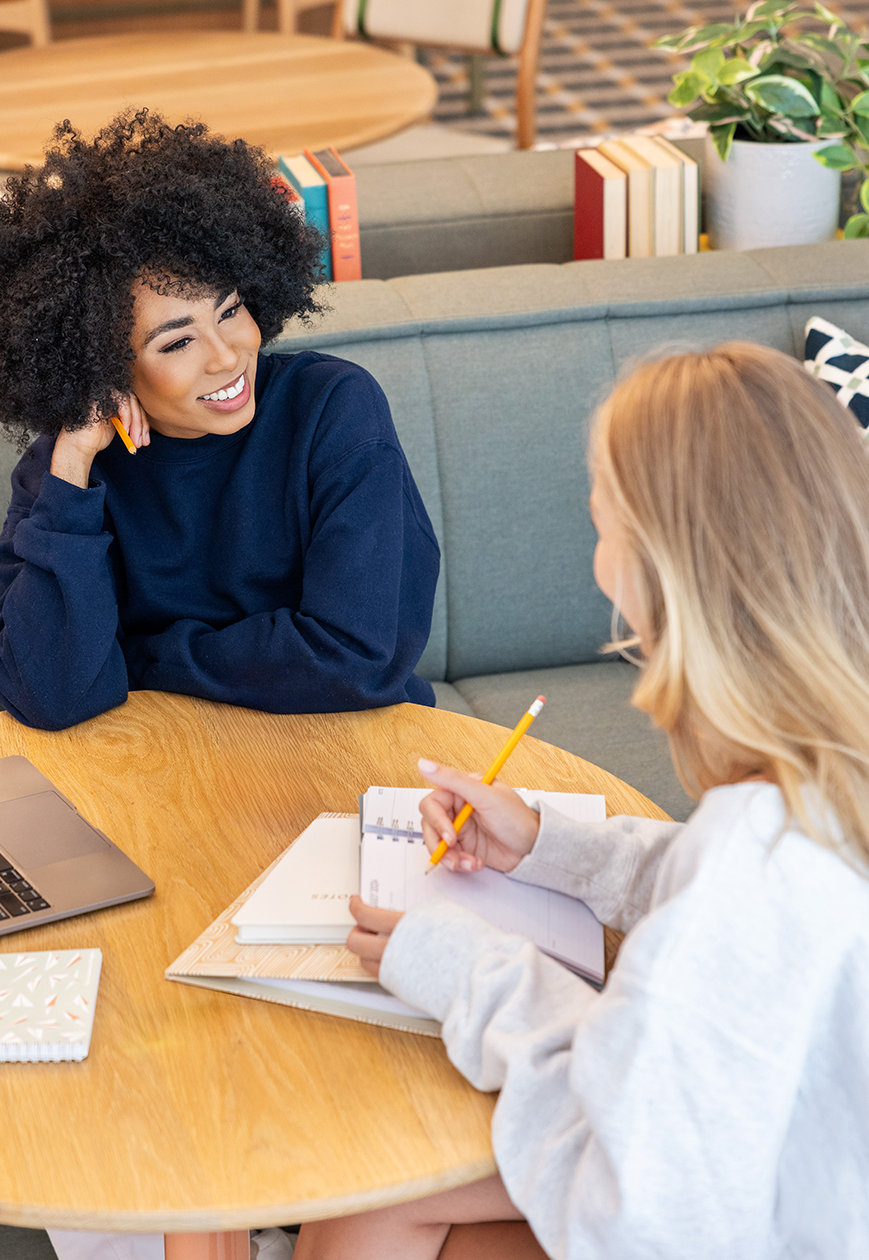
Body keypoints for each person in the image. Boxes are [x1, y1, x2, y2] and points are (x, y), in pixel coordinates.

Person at [295, 342, 869, 1259]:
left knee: (365, 1199)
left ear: (653, 567)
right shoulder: (825, 774)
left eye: (600, 518)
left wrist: (466, 969)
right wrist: (550, 847)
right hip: (787, 1182)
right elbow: (726, 899)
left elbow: (639, 1219)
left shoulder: (754, 868)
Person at [0, 110, 439, 731]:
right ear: (101, 364)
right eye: (176, 343)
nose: (227, 355)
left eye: (230, 309)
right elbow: (47, 693)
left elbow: (356, 659)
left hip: (347, 749)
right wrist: (73, 468)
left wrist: (135, 658)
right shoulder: (64, 474)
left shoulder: (332, 409)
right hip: (167, 770)